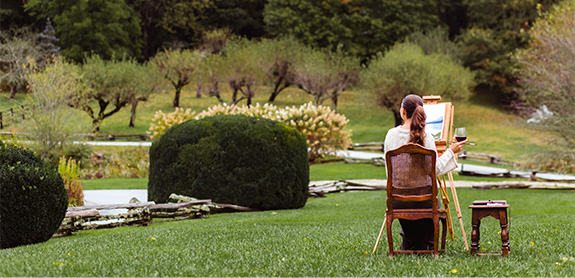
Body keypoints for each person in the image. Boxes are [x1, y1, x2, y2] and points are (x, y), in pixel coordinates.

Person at [383, 94, 466, 250]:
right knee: (432, 199)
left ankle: (411, 240)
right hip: (425, 201)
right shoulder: (426, 138)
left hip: (398, 200)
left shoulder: (390, 136)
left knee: (412, 236)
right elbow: (436, 170)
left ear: (402, 112)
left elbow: (390, 172)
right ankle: (424, 242)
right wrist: (451, 151)